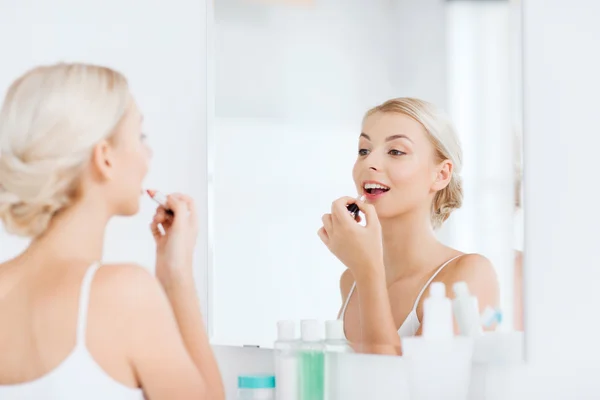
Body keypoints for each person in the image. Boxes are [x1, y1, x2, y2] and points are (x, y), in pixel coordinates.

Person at [0, 63, 224, 399]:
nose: (147, 156)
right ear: (104, 157)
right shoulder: (123, 293)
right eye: (140, 137)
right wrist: (176, 276)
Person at [318, 97, 500, 355]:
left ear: (441, 175)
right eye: (364, 150)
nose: (370, 163)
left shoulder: (469, 275)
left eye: (395, 151)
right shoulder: (350, 280)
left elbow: (399, 386)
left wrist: (368, 269)